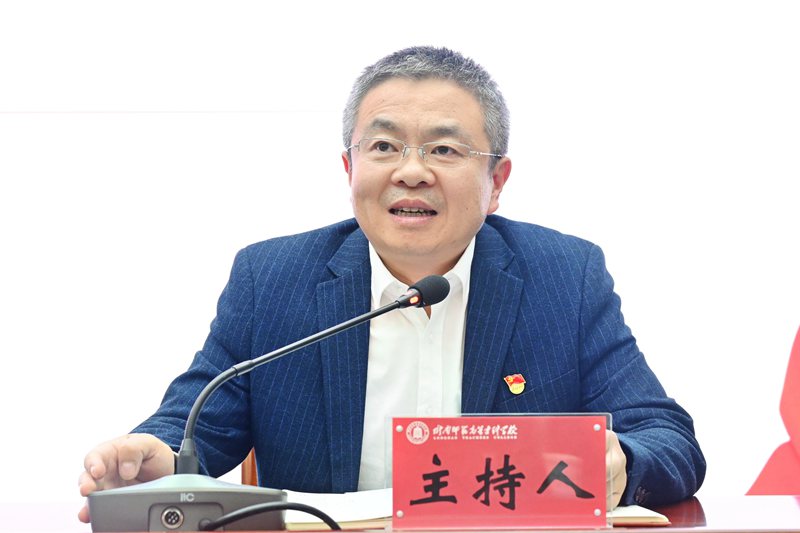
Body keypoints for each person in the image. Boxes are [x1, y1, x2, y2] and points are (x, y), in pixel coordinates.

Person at [78, 46, 705, 523]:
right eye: (384, 146)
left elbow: (669, 440)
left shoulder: (562, 276)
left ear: (497, 182)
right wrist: (156, 459)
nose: (411, 171)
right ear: (350, 168)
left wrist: (621, 462)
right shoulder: (272, 279)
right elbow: (195, 425)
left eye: (445, 151)